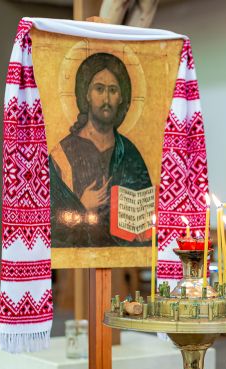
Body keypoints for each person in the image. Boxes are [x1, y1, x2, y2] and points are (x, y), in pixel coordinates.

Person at [50, 52, 152, 247]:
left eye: (113, 90)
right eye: (99, 89)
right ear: (86, 94)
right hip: (76, 268)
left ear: (122, 97)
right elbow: (48, 223)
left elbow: (146, 225)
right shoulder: (61, 154)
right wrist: (81, 207)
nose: (106, 98)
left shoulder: (130, 154)